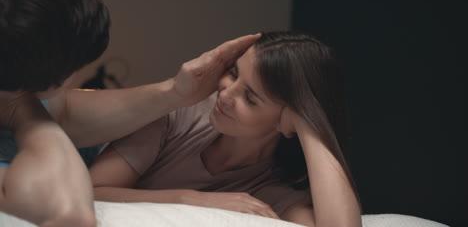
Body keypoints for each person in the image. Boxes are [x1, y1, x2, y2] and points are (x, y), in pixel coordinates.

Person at [0, 0, 259, 226]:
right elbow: (70, 213)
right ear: (23, 88)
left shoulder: (18, 84)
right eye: (73, 73)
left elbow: (64, 110)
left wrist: (176, 92)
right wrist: (27, 113)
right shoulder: (25, 109)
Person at [90, 31, 362, 227]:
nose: (225, 95)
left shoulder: (279, 190)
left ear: (286, 122)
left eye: (250, 98)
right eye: (233, 73)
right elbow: (90, 190)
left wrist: (309, 124)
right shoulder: (178, 112)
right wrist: (195, 199)